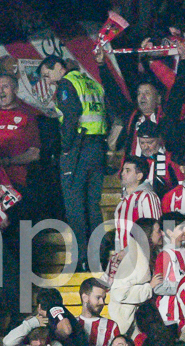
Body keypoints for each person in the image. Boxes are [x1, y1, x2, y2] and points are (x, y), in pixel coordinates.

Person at [39, 56, 108, 270]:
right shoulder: (92, 83)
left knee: (74, 206)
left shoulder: (67, 84)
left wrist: (66, 147)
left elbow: (71, 115)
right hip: (97, 148)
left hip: (78, 149)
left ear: (59, 67)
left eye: (47, 75)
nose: (49, 81)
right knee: (92, 205)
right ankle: (99, 256)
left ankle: (81, 260)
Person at [114, 156, 162, 251]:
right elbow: (118, 235)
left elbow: (155, 231)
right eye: (123, 170)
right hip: (126, 258)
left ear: (139, 176)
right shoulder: (122, 203)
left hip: (144, 257)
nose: (122, 174)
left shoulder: (147, 196)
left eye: (128, 171)